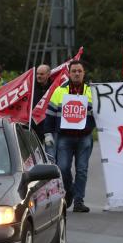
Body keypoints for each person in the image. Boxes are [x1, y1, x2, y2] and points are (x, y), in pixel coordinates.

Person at [45, 60, 95, 212]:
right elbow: (50, 114)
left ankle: (79, 201)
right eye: (74, 71)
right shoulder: (60, 91)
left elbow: (100, 114)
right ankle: (70, 190)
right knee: (63, 168)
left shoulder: (91, 91)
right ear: (69, 73)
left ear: (83, 73)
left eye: (79, 71)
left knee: (82, 170)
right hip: (64, 137)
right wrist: (48, 133)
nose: (77, 73)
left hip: (84, 137)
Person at [31, 64, 52, 144]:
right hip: (34, 126)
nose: (38, 76)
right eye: (37, 74)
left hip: (49, 127)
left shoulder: (54, 87)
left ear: (48, 74)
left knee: (50, 154)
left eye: (41, 74)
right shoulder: (31, 87)